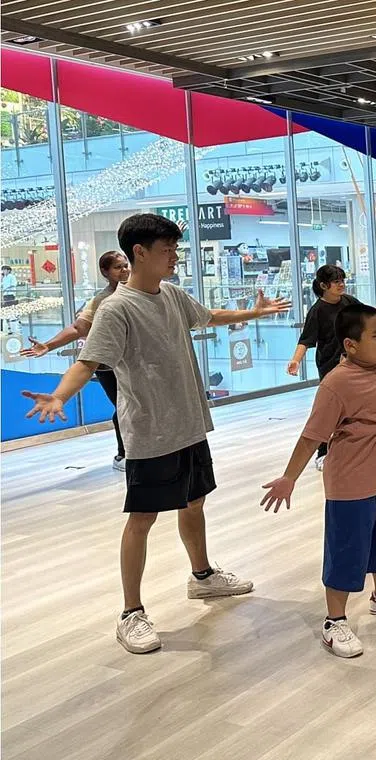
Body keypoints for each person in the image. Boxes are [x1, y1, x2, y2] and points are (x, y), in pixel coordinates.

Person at [21, 213, 291, 655]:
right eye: (168, 250)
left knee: (195, 501)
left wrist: (255, 312)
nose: (175, 257)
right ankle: (131, 612)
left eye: (175, 249)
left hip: (189, 424)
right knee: (142, 518)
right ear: (139, 253)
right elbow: (88, 362)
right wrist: (59, 395)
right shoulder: (117, 308)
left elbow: (209, 316)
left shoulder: (172, 294)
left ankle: (203, 577)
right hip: (150, 431)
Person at [261, 303, 376, 658]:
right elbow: (312, 436)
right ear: (350, 345)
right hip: (352, 483)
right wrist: (289, 477)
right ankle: (334, 620)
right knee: (346, 551)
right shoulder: (336, 384)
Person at [286, 264, 376, 470]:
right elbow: (305, 340)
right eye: (336, 282)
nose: (341, 285)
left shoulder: (347, 301)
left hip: (354, 360)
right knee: (329, 410)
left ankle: (353, 443)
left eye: (342, 280)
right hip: (331, 364)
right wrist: (296, 360)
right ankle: (323, 452)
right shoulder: (317, 311)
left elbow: (370, 313)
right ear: (324, 285)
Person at [21, 251, 131, 471]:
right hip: (109, 365)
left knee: (138, 406)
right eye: (118, 267)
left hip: (138, 364)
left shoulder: (141, 292)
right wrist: (48, 345)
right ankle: (124, 455)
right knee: (124, 407)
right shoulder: (101, 300)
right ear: (105, 272)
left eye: (126, 265)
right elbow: (78, 328)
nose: (124, 270)